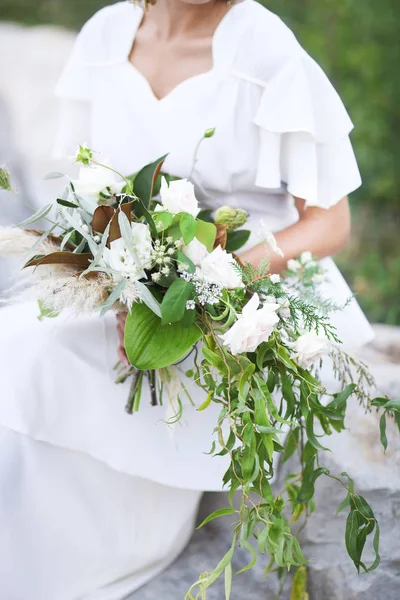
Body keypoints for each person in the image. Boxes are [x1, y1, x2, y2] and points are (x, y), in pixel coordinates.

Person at [0, 1, 374, 599]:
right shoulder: (106, 35)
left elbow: (332, 224)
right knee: (15, 346)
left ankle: (88, 557)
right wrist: (126, 287)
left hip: (248, 301)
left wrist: (211, 279)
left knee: (49, 362)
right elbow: (95, 189)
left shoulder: (261, 46)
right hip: (140, 281)